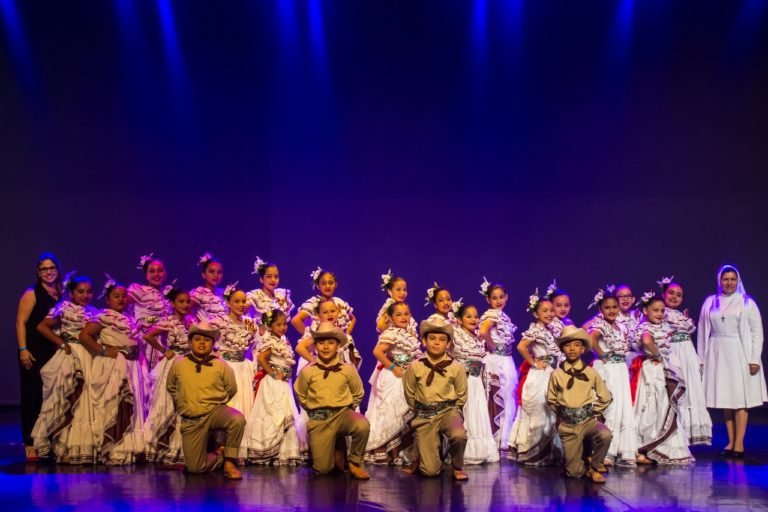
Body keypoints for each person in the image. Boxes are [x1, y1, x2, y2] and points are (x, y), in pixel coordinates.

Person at [698, 265, 767, 458]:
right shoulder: (710, 302)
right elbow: (703, 332)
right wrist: (701, 359)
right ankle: (730, 441)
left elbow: (757, 332)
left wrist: (754, 359)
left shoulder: (746, 303)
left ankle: (739, 444)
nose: (729, 283)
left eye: (732, 279)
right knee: (726, 399)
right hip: (717, 352)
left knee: (740, 398)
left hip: (738, 352)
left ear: (738, 281)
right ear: (719, 281)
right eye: (725, 279)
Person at [81, 276, 148, 465]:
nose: (120, 299)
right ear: (108, 299)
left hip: (132, 365)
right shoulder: (104, 315)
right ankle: (114, 447)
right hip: (115, 365)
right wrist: (102, 350)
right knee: (115, 404)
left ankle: (129, 447)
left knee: (132, 406)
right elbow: (85, 335)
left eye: (123, 296)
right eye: (116, 296)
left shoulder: (131, 319)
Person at [32, 272, 98, 463]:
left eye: (89, 292)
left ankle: (81, 446)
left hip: (89, 356)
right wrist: (61, 343)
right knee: (67, 399)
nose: (85, 295)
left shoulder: (93, 311)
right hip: (71, 355)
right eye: (80, 292)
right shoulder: (64, 308)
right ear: (71, 293)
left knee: (85, 401)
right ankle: (63, 446)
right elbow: (42, 326)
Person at [166, 322, 245, 479]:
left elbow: (232, 389)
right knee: (195, 468)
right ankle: (219, 455)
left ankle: (230, 462)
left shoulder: (221, 365)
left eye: (207, 340)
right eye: (197, 339)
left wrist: (215, 404)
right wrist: (186, 404)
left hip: (214, 412)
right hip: (192, 419)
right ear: (190, 342)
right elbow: (171, 387)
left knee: (237, 419)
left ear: (213, 344)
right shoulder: (179, 363)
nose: (202, 343)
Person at [293, 322, 370, 479]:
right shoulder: (308, 371)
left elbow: (358, 393)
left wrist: (347, 409)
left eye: (330, 343)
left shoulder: (347, 369)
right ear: (315, 346)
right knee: (323, 470)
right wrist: (314, 410)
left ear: (337, 345)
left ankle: (354, 462)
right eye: (321, 343)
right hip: (320, 420)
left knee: (362, 424)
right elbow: (300, 394)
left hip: (342, 415)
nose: (326, 347)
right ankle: (333, 446)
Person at [402, 318, 469, 480]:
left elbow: (462, 395)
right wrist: (422, 409)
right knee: (430, 472)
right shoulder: (415, 366)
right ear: (424, 341)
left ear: (448, 344)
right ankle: (423, 456)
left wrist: (452, 410)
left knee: (459, 434)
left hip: (448, 412)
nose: (436, 343)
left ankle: (457, 465)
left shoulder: (456, 367)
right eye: (432, 338)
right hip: (425, 415)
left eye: (442, 340)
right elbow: (409, 394)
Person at [632, 293, 693, 465]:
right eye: (655, 310)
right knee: (651, 405)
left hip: (663, 369)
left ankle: (657, 446)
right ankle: (644, 446)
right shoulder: (645, 327)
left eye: (661, 311)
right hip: (653, 370)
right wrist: (657, 354)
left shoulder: (662, 327)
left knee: (664, 406)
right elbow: (646, 340)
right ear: (645, 310)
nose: (659, 314)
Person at [547, 325, 613, 483]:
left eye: (577, 345)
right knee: (574, 474)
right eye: (568, 345)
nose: (572, 349)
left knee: (605, 434)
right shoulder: (556, 374)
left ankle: (595, 466)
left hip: (588, 421)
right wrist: (564, 413)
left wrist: (591, 411)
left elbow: (605, 396)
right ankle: (582, 462)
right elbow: (551, 399)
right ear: (562, 349)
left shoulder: (590, 372)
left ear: (583, 349)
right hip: (569, 425)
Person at [243, 309, 306, 465]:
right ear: (270, 326)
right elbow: (262, 358)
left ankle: (283, 452)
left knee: (285, 413)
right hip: (273, 383)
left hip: (283, 383)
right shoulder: (270, 340)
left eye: (285, 324)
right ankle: (268, 450)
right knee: (274, 414)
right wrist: (272, 373)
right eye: (279, 324)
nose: (283, 327)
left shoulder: (282, 340)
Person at [16, 253, 63, 461]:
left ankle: (48, 440)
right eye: (44, 269)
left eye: (52, 268)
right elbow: (20, 323)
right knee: (32, 394)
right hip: (34, 351)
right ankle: (30, 442)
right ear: (38, 272)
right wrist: (23, 349)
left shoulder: (61, 293)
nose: (49, 272)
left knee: (51, 396)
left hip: (54, 351)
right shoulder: (32, 293)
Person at [509, 289, 563, 465]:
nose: (549, 314)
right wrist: (534, 363)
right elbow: (521, 346)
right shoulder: (535, 330)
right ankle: (533, 453)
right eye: (544, 311)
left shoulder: (549, 330)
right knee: (539, 409)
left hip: (551, 373)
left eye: (551, 310)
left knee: (550, 410)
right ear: (535, 313)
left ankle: (548, 453)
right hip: (540, 375)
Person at [584, 286, 637, 467]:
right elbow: (591, 338)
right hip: (608, 369)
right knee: (610, 409)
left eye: (614, 307)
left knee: (623, 408)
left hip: (620, 368)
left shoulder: (621, 326)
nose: (612, 311)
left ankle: (622, 449)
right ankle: (605, 451)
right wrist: (601, 354)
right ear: (601, 309)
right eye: (607, 308)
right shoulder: (600, 324)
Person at [365, 301, 422, 464]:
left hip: (406, 376)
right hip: (393, 376)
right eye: (398, 314)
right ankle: (390, 452)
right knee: (391, 412)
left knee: (403, 412)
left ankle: (401, 452)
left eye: (406, 314)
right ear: (390, 317)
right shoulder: (391, 333)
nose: (403, 317)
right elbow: (377, 351)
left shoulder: (408, 335)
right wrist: (393, 367)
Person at [143, 287, 193, 466]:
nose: (185, 304)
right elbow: (148, 335)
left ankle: (178, 449)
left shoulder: (190, 321)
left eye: (187, 301)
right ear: (172, 303)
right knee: (167, 402)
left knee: (184, 404)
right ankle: (161, 447)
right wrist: (164, 350)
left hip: (187, 363)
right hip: (172, 364)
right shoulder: (168, 321)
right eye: (181, 301)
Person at [660, 276, 712, 446]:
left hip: (688, 355)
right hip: (674, 355)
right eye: (671, 293)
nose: (674, 297)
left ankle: (688, 435)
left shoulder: (682, 316)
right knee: (677, 393)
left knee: (691, 392)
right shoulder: (660, 313)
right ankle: (674, 437)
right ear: (663, 293)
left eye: (679, 295)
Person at [451, 303, 499, 464]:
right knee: (466, 412)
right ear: (459, 319)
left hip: (476, 381)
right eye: (468, 316)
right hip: (462, 381)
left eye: (476, 316)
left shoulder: (477, 337)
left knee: (478, 412)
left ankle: (480, 451)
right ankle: (463, 452)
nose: (473, 319)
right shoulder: (455, 335)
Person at [478, 278, 519, 456]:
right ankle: (497, 437)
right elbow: (483, 332)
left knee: (508, 395)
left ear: (507, 297)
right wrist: (492, 346)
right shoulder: (492, 315)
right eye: (494, 298)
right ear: (488, 300)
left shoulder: (503, 316)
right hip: (496, 360)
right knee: (498, 395)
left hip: (506, 359)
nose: (498, 301)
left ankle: (504, 437)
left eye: (501, 297)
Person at [247, 257, 295, 333]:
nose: (273, 280)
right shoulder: (255, 296)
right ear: (261, 279)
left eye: (276, 276)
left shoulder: (281, 295)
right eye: (269, 276)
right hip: (261, 338)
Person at [375, 270, 418, 336]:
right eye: (398, 290)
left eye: (404, 290)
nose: (403, 293)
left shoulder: (404, 307)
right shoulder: (389, 307)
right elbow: (380, 327)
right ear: (389, 291)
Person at [190, 252, 227, 320]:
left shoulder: (223, 293)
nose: (216, 275)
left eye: (219, 272)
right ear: (204, 274)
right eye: (211, 271)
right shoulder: (200, 292)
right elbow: (185, 308)